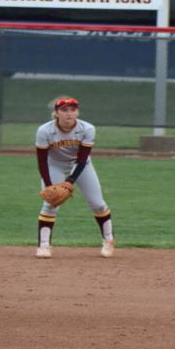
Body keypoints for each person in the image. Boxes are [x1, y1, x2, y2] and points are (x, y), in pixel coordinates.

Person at [33, 96, 115, 258]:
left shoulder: (87, 129)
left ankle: (108, 240)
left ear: (78, 112)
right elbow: (42, 161)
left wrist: (69, 181)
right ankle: (44, 246)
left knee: (98, 204)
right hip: (54, 165)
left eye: (73, 109)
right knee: (50, 204)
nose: (69, 113)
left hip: (81, 165)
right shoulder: (44, 130)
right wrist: (49, 185)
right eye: (64, 110)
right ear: (56, 113)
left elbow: (82, 159)